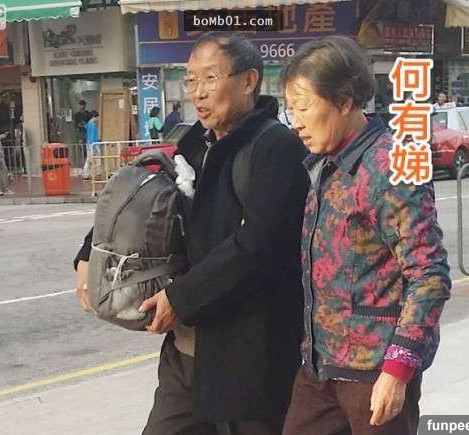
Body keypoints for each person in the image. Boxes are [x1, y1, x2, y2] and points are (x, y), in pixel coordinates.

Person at [74, 33, 309, 434]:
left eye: (210, 78)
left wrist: (180, 298)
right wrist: (88, 253)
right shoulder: (195, 142)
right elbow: (142, 196)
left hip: (250, 359)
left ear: (248, 80)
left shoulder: (277, 149)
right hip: (188, 353)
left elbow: (257, 246)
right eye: (191, 80)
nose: (198, 93)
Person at [280, 36, 451, 435]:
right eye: (291, 109)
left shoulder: (391, 166)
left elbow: (429, 275)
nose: (296, 121)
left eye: (303, 107)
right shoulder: (324, 164)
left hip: (374, 372)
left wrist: (398, 369)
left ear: (344, 101)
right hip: (319, 367)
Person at [83, 111, 100, 179]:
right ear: (94, 117)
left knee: (89, 159)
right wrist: (93, 145)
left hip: (89, 143)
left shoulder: (88, 124)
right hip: (93, 144)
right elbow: (92, 136)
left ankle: (86, 174)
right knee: (97, 159)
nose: (98, 119)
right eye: (97, 117)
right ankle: (94, 174)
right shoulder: (92, 125)